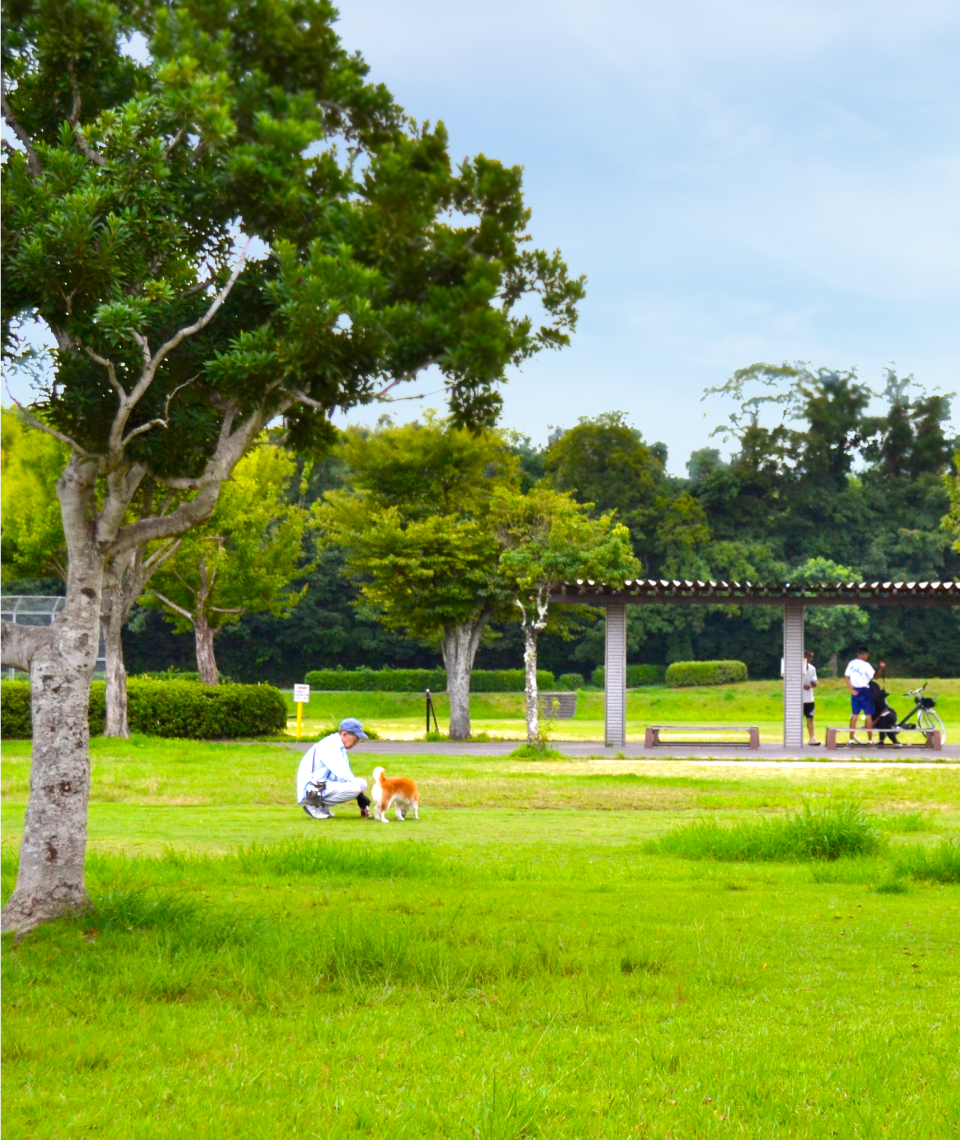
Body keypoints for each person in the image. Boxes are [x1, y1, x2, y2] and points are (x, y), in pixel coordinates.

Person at [297, 718, 373, 820]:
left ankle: (322, 807)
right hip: (311, 789)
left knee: (361, 783)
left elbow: (344, 774)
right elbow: (342, 774)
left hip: (321, 785)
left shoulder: (338, 745)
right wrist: (359, 794)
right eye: (356, 738)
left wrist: (359, 792)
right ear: (345, 734)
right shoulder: (330, 746)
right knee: (354, 789)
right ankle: (313, 805)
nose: (357, 742)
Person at [844, 646, 885, 745]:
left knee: (855, 715)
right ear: (865, 655)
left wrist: (851, 689)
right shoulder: (866, 665)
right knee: (868, 715)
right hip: (865, 691)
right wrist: (881, 668)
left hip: (855, 691)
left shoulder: (851, 663)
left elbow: (846, 676)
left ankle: (851, 739)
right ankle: (870, 740)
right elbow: (876, 677)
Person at [802, 649, 820, 746]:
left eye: (812, 657)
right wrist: (802, 686)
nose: (811, 659)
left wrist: (813, 684)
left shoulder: (812, 669)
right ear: (804, 656)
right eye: (809, 656)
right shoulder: (798, 668)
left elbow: (814, 680)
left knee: (810, 718)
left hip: (809, 698)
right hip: (800, 698)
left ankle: (812, 737)